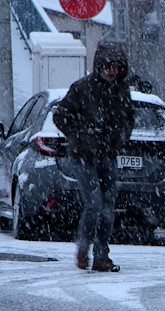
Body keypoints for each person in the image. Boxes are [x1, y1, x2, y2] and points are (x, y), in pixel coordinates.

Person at [53, 42, 135, 272]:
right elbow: (61, 116)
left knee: (108, 208)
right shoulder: (82, 88)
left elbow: (129, 119)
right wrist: (78, 137)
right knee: (94, 204)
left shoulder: (121, 90)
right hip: (84, 157)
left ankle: (101, 256)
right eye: (106, 66)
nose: (110, 71)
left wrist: (119, 139)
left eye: (115, 66)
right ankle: (83, 249)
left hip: (108, 156)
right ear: (98, 66)